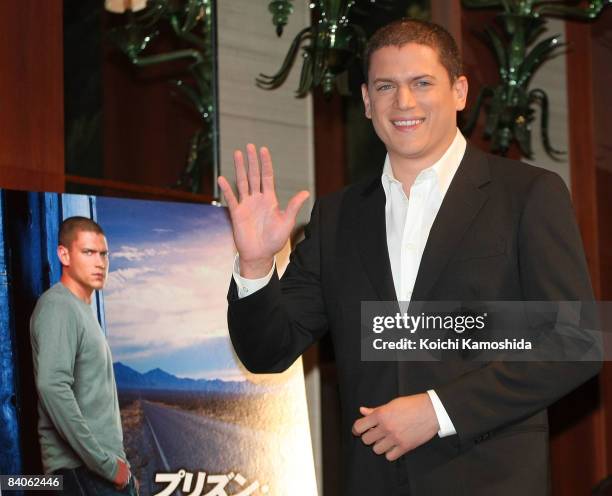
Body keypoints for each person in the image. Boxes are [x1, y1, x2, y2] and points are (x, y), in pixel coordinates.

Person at [218, 18, 601, 495]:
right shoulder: (338, 217)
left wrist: (438, 410)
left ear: (459, 91)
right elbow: (267, 350)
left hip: (490, 480)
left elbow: (573, 342)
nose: (404, 102)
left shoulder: (527, 194)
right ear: (365, 101)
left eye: (422, 83)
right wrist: (255, 265)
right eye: (386, 86)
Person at [30, 217, 137, 496]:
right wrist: (108, 467)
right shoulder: (58, 306)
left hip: (96, 475)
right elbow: (52, 386)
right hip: (80, 475)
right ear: (63, 254)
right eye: (88, 252)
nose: (100, 262)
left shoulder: (81, 310)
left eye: (104, 254)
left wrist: (120, 469)